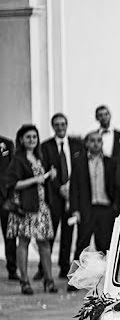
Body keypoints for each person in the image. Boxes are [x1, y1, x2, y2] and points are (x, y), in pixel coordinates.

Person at [5, 125, 57, 294]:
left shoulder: (39, 157)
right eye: (28, 137)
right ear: (21, 139)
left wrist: (50, 176)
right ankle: (24, 281)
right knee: (24, 242)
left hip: (41, 206)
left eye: (34, 137)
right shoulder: (18, 159)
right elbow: (14, 184)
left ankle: (49, 280)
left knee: (44, 242)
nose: (32, 140)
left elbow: (42, 180)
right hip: (25, 207)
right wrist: (36, 179)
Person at [39, 112, 81, 280]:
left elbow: (79, 169)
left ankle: (64, 268)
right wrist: (59, 188)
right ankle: (44, 268)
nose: (60, 127)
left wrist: (70, 188)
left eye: (62, 124)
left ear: (66, 125)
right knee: (50, 233)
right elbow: (45, 171)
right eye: (56, 124)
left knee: (68, 234)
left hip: (73, 195)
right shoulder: (46, 146)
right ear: (53, 127)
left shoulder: (77, 145)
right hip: (54, 196)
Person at [70, 130, 117, 264]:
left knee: (105, 245)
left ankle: (105, 279)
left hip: (105, 209)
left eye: (99, 140)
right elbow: (74, 188)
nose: (96, 144)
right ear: (86, 143)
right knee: (82, 245)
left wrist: (115, 208)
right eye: (92, 140)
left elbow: (115, 187)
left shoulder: (110, 162)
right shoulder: (79, 162)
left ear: (102, 143)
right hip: (86, 208)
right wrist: (75, 210)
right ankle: (74, 281)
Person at [0, 133, 17, 279]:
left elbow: (13, 172)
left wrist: (11, 197)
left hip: (5, 198)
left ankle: (12, 269)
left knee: (9, 235)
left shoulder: (7, 143)